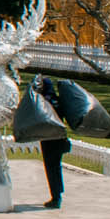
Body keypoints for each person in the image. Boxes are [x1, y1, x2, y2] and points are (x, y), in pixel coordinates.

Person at [34, 75, 71, 209]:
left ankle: (55, 198)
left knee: (51, 169)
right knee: (57, 168)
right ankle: (58, 194)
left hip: (49, 141)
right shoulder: (57, 101)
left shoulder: (45, 102)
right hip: (60, 140)